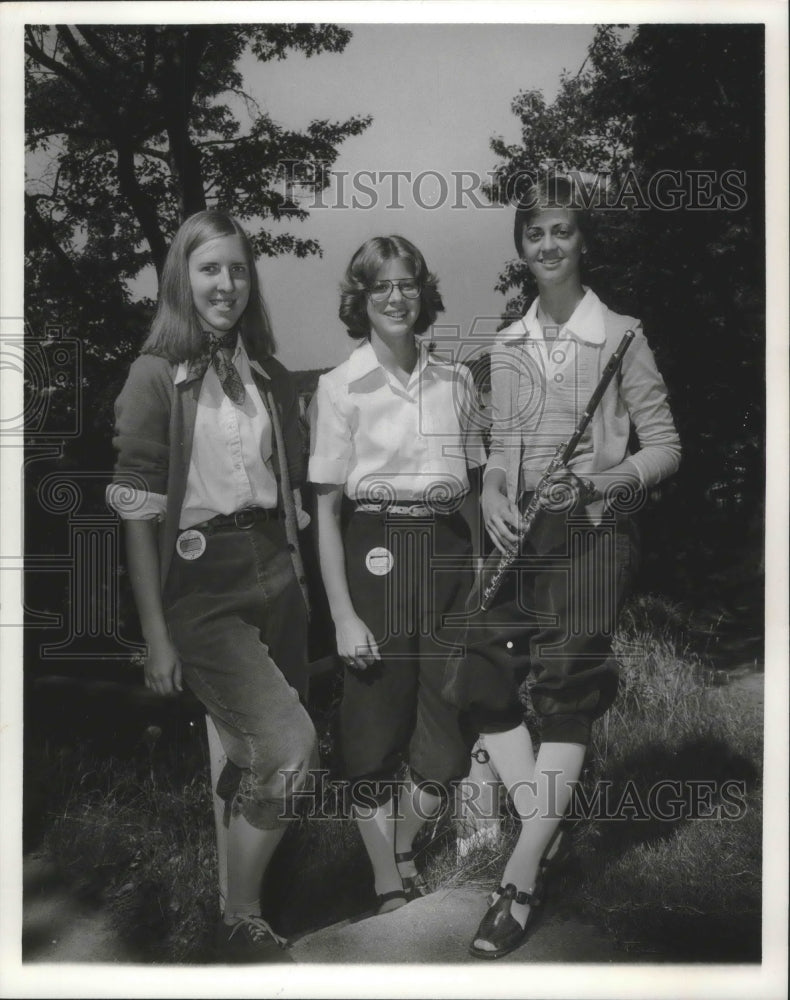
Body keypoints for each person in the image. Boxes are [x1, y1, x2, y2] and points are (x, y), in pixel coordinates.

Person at [443, 174, 681, 959]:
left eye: (561, 231)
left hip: (594, 530)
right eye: (534, 233)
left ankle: (518, 881)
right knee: (477, 671)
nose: (547, 245)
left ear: (583, 241)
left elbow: (666, 448)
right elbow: (500, 457)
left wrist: (601, 483)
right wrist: (494, 491)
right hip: (524, 539)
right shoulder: (507, 345)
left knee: (566, 683)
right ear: (521, 247)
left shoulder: (621, 334)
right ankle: (549, 820)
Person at [106, 210, 318, 963]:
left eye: (236, 269)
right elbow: (136, 516)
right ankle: (242, 914)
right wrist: (155, 634)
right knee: (291, 748)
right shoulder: (154, 376)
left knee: (245, 756)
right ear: (181, 279)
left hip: (275, 572)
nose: (225, 284)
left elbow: (288, 482)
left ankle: (234, 920)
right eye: (209, 270)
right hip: (199, 586)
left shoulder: (268, 374)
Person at [308, 235, 486, 914]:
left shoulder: (457, 382)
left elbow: (473, 488)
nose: (395, 296)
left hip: (443, 553)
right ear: (360, 298)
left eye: (407, 282)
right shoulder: (338, 385)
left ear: (423, 291)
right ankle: (386, 878)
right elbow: (323, 512)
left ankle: (405, 844)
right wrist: (343, 614)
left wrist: (474, 578)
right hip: (372, 549)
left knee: (445, 745)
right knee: (373, 731)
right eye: (380, 285)